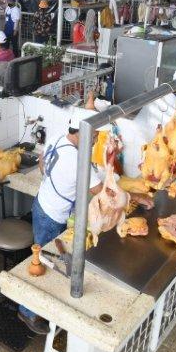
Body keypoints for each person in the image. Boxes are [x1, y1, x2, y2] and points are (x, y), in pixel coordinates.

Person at [20, 122, 102, 334]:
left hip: (41, 204)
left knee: (42, 260)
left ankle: (38, 308)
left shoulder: (58, 137)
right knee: (43, 265)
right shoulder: (77, 159)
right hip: (52, 217)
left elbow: (41, 162)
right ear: (84, 133)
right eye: (95, 136)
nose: (96, 140)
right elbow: (99, 190)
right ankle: (27, 312)